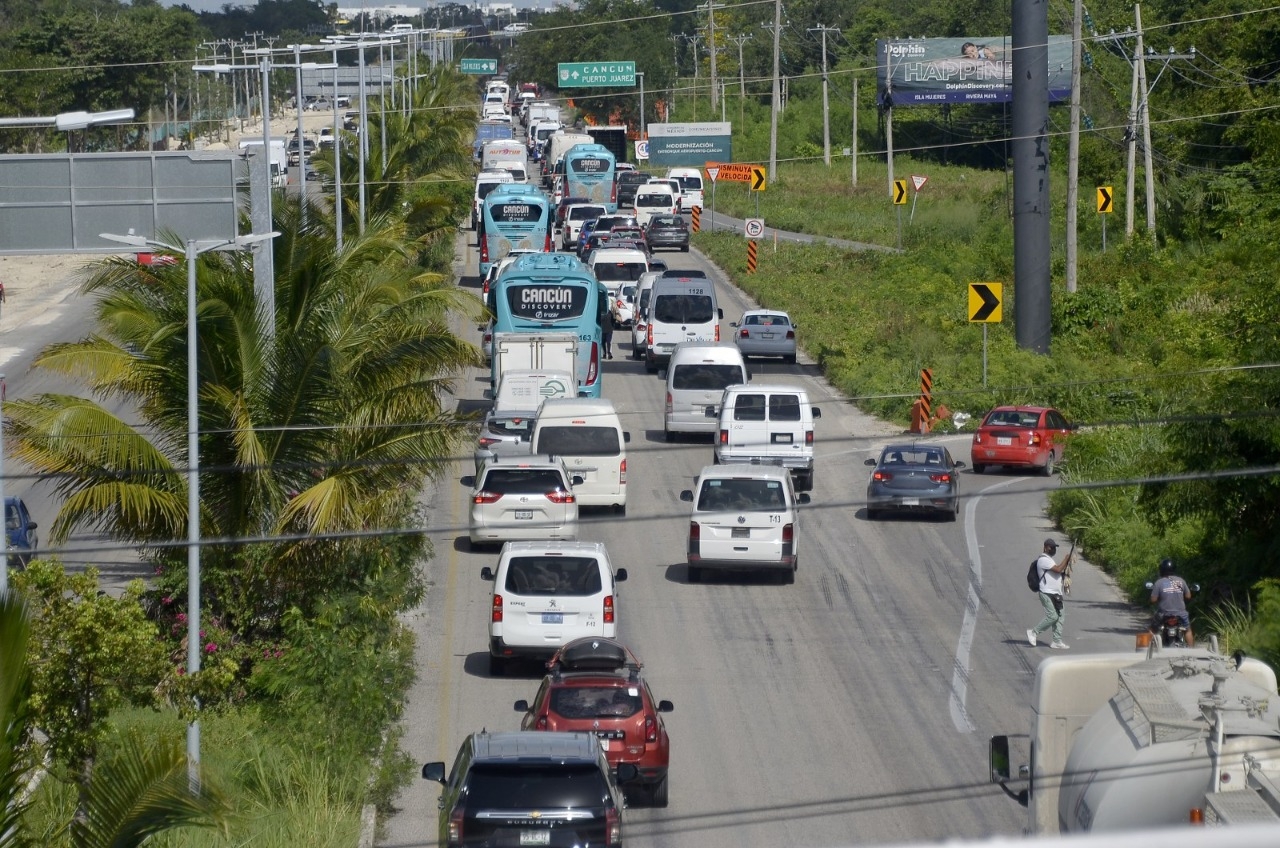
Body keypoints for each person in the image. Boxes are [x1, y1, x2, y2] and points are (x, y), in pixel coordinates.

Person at [1028, 538, 1073, 649]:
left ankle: (1056, 641)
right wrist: (1066, 559)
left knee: (1061, 616)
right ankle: (1033, 632)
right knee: (1052, 616)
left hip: (1056, 593)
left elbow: (1057, 572)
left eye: (1054, 547)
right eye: (1051, 547)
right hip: (1046, 592)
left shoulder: (1050, 560)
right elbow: (1057, 569)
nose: (1053, 549)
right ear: (1045, 547)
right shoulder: (1043, 559)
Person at [1150, 558, 1194, 646]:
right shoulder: (1181, 581)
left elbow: (1153, 600)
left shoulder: (1159, 582)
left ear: (1161, 570)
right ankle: (1191, 652)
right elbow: (1188, 596)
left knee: (1152, 629)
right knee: (1187, 630)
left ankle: (1149, 651)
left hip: (1164, 613)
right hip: (1181, 613)